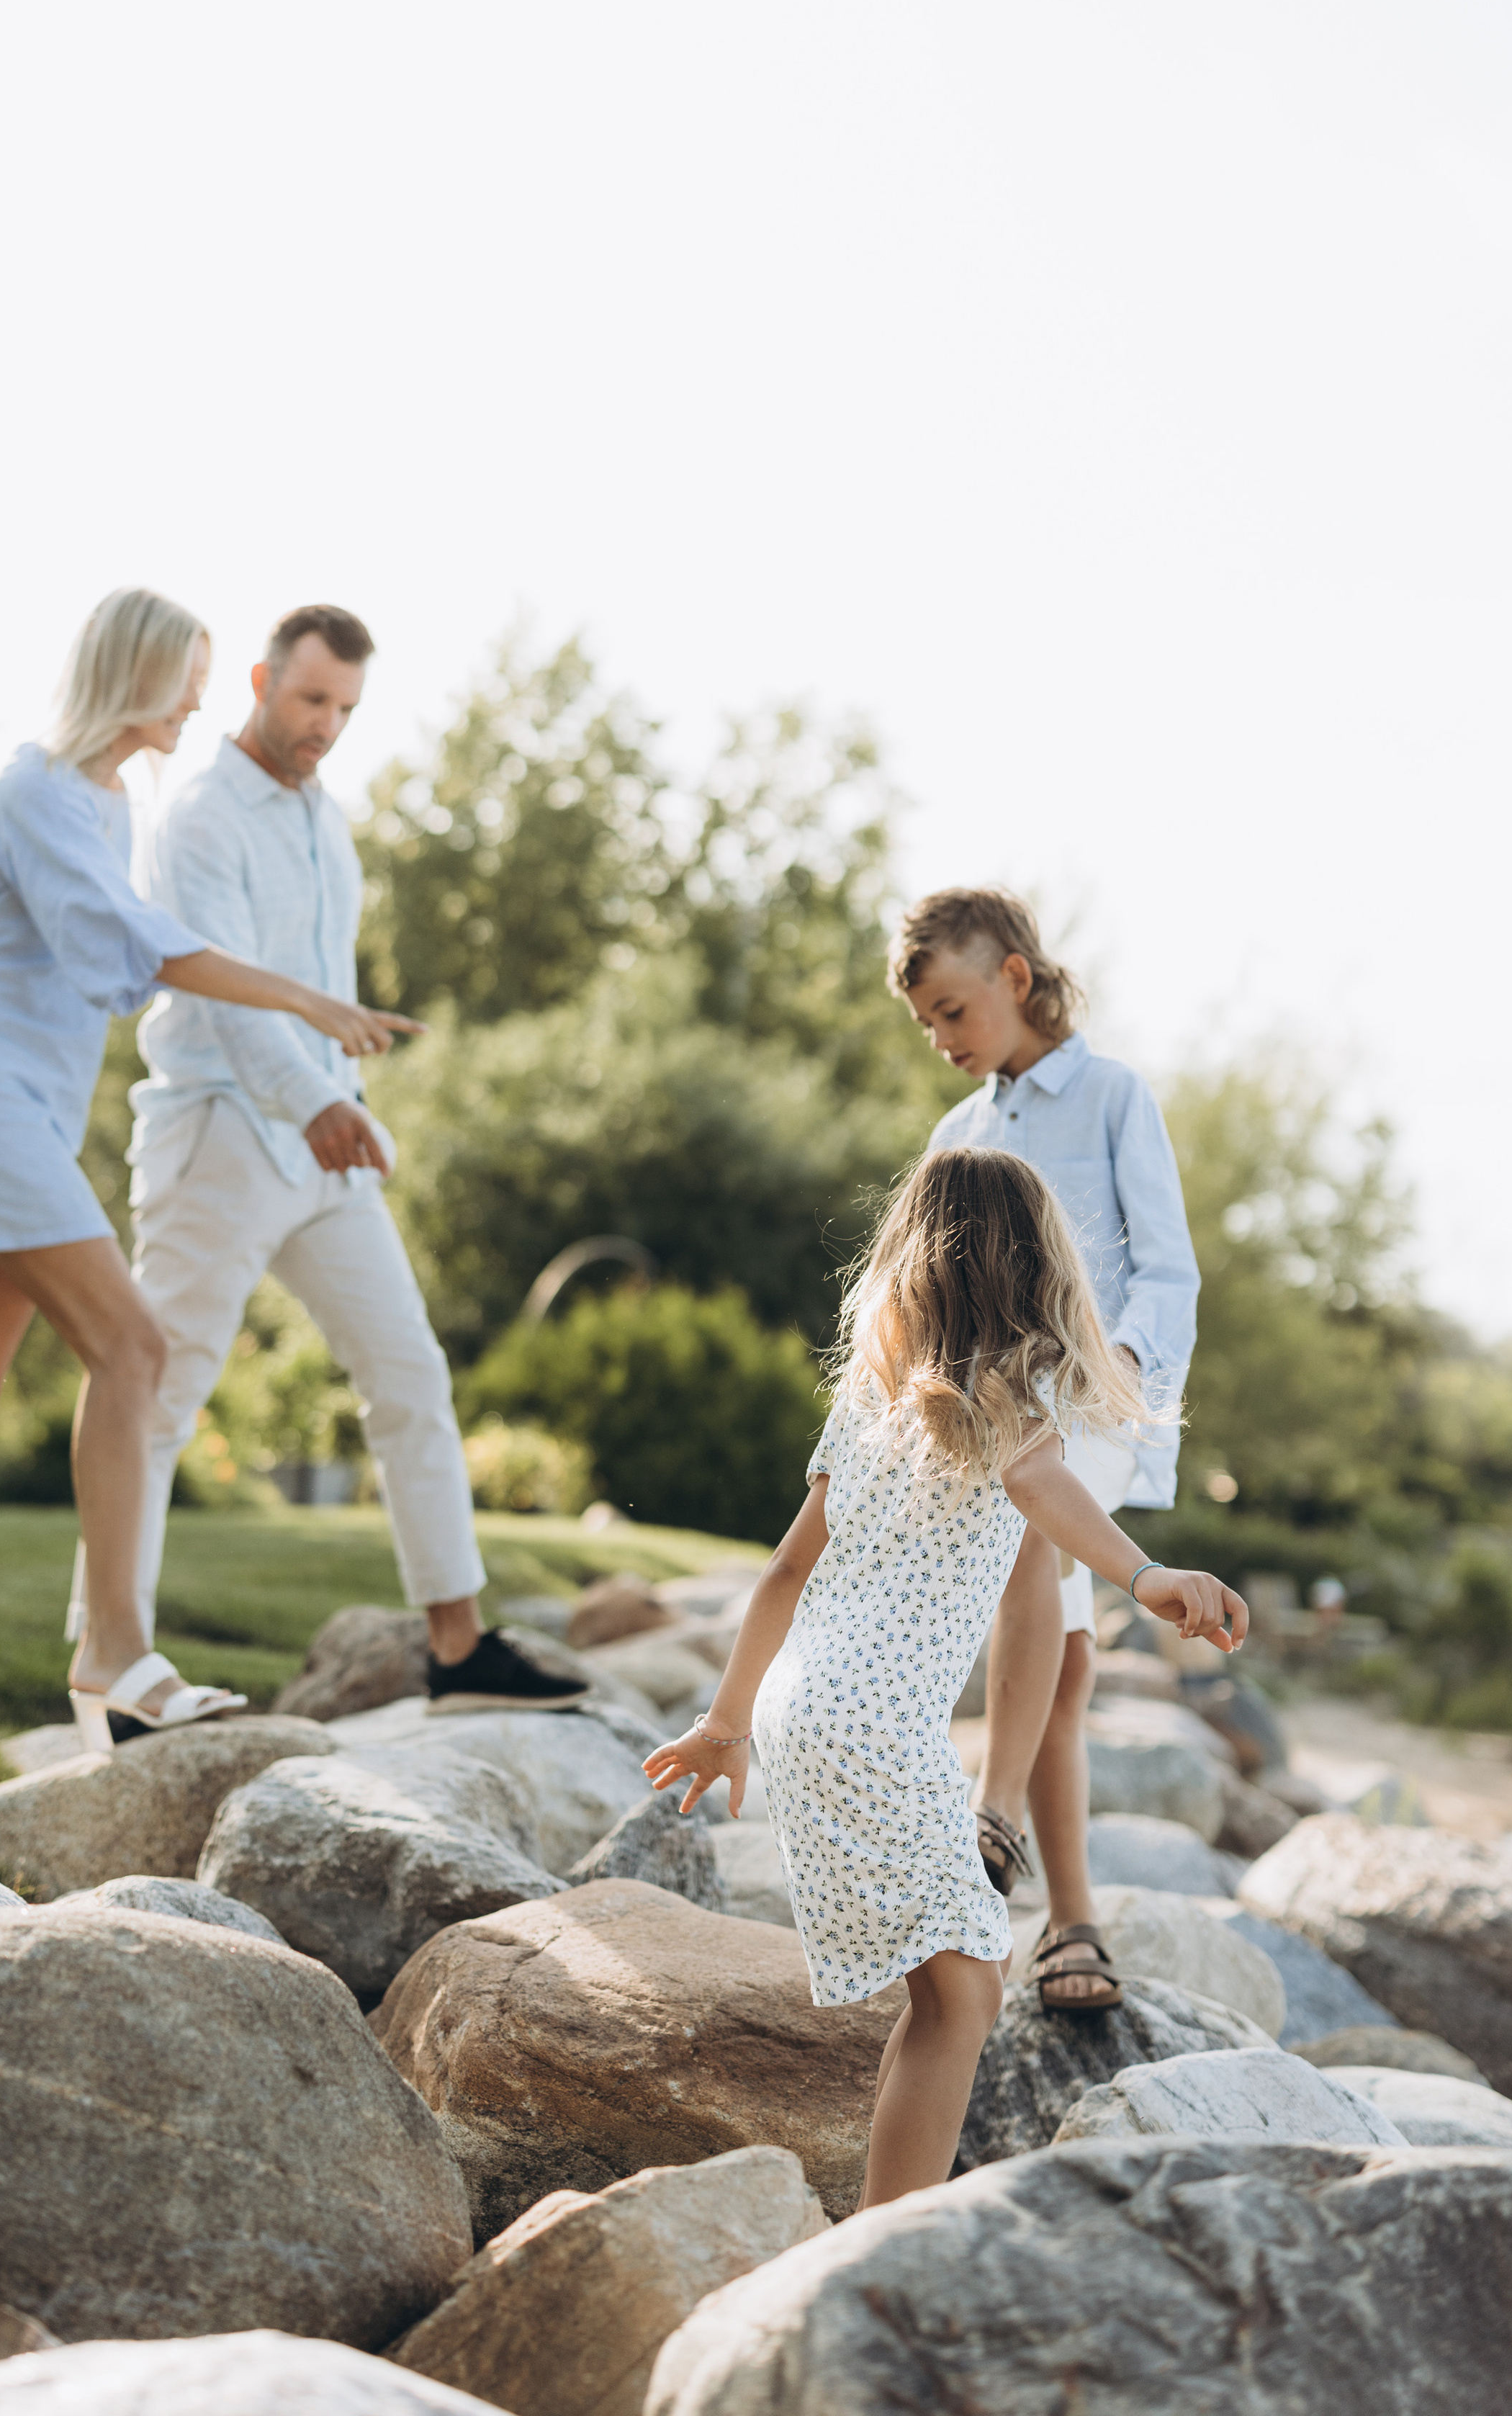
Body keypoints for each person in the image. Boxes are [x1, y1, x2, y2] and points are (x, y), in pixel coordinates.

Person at [0, 588, 411, 1791]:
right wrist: (307, 1000)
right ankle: (118, 1656)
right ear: (134, 676)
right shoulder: (40, 790)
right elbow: (141, 942)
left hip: (22, 1102)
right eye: (187, 677)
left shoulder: (103, 800)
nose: (201, 699)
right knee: (133, 1348)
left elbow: (128, 942)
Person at [643, 1148, 1243, 2205]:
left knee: (947, 1989)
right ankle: (887, 2239)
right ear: (1036, 1262)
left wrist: (727, 1723)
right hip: (871, 1723)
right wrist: (1145, 1572)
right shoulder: (1011, 1383)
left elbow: (786, 1571)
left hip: (802, 1706)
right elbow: (1043, 1484)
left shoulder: (877, 1395)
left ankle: (883, 2216)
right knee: (964, 1995)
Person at [89, 602, 583, 1713]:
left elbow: (317, 988)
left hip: (325, 1146)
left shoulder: (327, 818)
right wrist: (314, 1096)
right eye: (312, 700)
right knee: (157, 1398)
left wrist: (339, 1100)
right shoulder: (202, 815)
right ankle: (111, 1673)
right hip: (220, 1134)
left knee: (409, 1373)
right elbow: (220, 990)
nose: (326, 727)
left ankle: (457, 1644)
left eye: (346, 709)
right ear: (261, 680)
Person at [891, 886, 1200, 2011]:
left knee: (1038, 1526)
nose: (943, 1038)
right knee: (1063, 1667)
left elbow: (1168, 1267)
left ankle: (994, 1814)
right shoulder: (955, 1138)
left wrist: (1116, 1367)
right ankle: (1072, 1924)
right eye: (927, 1023)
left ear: (1015, 976)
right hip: (994, 1421)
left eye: (954, 1007)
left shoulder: (1115, 1095)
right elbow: (924, 1298)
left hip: (1099, 1401)